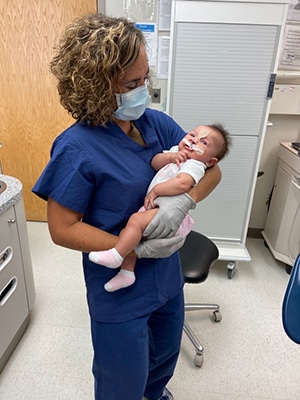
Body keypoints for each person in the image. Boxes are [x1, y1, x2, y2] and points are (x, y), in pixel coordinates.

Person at [32, 13, 222, 400]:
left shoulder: (158, 125)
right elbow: (62, 228)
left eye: (145, 79)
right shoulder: (76, 147)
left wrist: (184, 200)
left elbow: (211, 171)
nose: (143, 92)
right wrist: (131, 247)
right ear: (96, 87)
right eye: (131, 84)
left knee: (163, 360)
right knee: (121, 380)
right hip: (118, 287)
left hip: (166, 276)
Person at [89, 124, 231, 292]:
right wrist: (171, 157)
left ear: (210, 161)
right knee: (126, 232)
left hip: (167, 213)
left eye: (203, 143)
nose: (194, 140)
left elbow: (183, 184)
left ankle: (117, 256)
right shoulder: (176, 152)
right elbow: (155, 162)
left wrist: (157, 190)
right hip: (153, 208)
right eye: (192, 134)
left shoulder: (195, 164)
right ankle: (127, 272)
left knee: (135, 221)